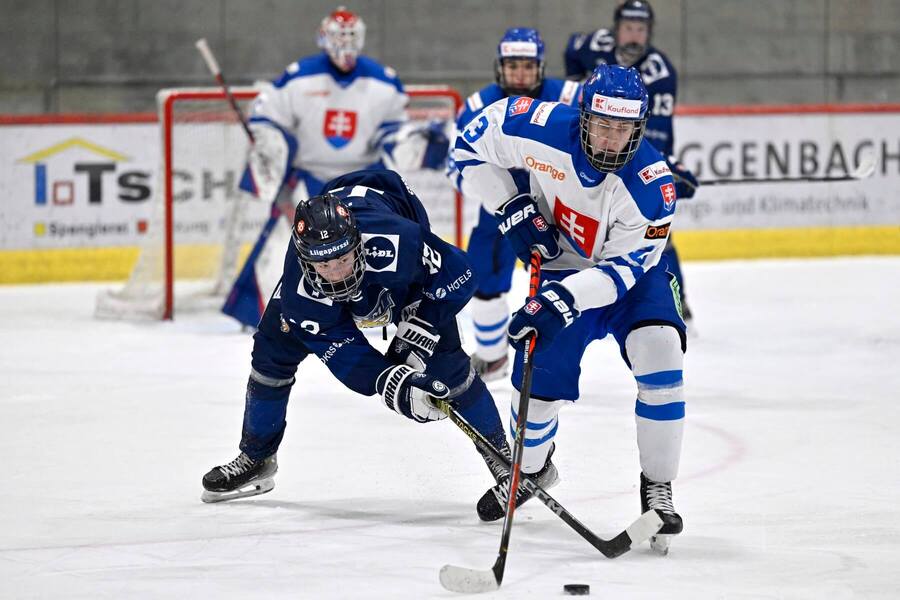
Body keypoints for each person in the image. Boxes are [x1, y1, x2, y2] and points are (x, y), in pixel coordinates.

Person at [453, 64, 687, 553]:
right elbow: (465, 148)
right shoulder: (536, 125)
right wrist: (512, 206)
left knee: (661, 350)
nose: (611, 139)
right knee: (535, 397)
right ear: (582, 116)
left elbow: (622, 274)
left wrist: (563, 299)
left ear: (639, 128)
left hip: (628, 281)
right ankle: (534, 470)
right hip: (560, 271)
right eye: (603, 124)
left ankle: (658, 489)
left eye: (624, 129)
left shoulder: (651, 185)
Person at [202, 169, 510, 508]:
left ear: (357, 243)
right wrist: (393, 384)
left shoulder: (397, 240)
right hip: (336, 251)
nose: (337, 273)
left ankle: (504, 461)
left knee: (447, 364)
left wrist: (423, 323)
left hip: (393, 206)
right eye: (324, 265)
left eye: (344, 259)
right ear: (305, 259)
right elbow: (344, 352)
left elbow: (461, 272)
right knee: (271, 351)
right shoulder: (299, 295)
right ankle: (257, 458)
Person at [223, 6, 448, 329]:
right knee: (284, 244)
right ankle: (265, 314)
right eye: (338, 38)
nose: (344, 47)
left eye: (350, 38)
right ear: (323, 37)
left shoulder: (384, 82)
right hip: (309, 176)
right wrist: (268, 143)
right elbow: (267, 117)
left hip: (361, 180)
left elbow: (393, 133)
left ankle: (383, 307)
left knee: (378, 242)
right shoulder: (299, 76)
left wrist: (417, 144)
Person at [449, 28, 580, 381]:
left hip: (558, 204)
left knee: (561, 283)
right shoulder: (477, 105)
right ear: (499, 67)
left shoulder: (570, 95)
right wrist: (500, 199)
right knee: (482, 280)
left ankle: (552, 361)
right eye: (512, 66)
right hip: (499, 208)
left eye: (527, 66)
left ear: (540, 67)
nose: (520, 74)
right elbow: (457, 164)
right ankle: (493, 357)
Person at [564, 0, 699, 324]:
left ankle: (674, 300)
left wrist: (662, 168)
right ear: (616, 29)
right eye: (628, 28)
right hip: (590, 146)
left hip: (633, 154)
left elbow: (657, 135)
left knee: (659, 235)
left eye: (641, 29)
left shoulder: (661, 72)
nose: (634, 36)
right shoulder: (593, 45)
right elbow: (572, 51)